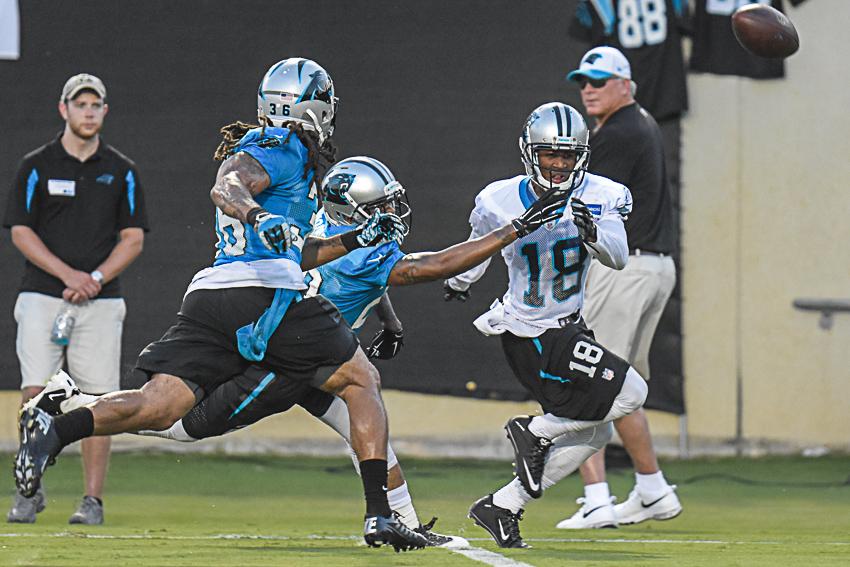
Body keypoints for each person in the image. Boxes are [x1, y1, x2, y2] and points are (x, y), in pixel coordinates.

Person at [27, 154, 569, 547]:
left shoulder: (313, 229)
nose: (392, 213)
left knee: (368, 417)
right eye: (381, 206)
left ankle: (393, 520)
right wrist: (511, 232)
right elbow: (429, 266)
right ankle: (78, 402)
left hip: (306, 348)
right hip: (284, 360)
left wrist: (389, 319)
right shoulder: (354, 248)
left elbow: (356, 278)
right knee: (182, 425)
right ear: (353, 209)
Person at [12, 57, 429, 552]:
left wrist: (356, 237)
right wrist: (255, 214)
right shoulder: (284, 146)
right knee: (362, 380)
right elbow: (228, 185)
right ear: (312, 106)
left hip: (213, 297)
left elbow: (294, 247)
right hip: (268, 296)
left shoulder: (276, 154)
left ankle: (57, 431)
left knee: (160, 406)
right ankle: (380, 516)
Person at [444, 102, 648, 548]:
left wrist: (590, 229)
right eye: (550, 154)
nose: (558, 164)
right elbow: (477, 245)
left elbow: (617, 256)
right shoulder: (499, 198)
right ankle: (535, 431)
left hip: (569, 328)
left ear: (582, 156)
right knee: (634, 392)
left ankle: (503, 505)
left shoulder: (601, 193)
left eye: (567, 155)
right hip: (531, 332)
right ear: (529, 152)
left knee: (599, 431)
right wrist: (461, 280)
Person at [3, 73, 148, 525]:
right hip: (43, 294)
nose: (88, 112)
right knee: (34, 393)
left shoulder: (121, 170)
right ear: (63, 109)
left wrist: (96, 278)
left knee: (99, 399)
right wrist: (69, 275)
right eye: (79, 104)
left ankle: (92, 500)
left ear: (105, 111)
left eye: (96, 105)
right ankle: (30, 491)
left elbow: (133, 237)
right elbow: (20, 230)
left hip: (100, 302)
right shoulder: (38, 165)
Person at [555, 46, 681, 529]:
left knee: (589, 380)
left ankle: (596, 497)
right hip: (655, 269)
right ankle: (651, 489)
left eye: (600, 80)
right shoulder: (640, 124)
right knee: (623, 388)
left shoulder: (618, 133)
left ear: (625, 85)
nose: (588, 88)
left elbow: (581, 208)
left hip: (626, 272)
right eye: (584, 80)